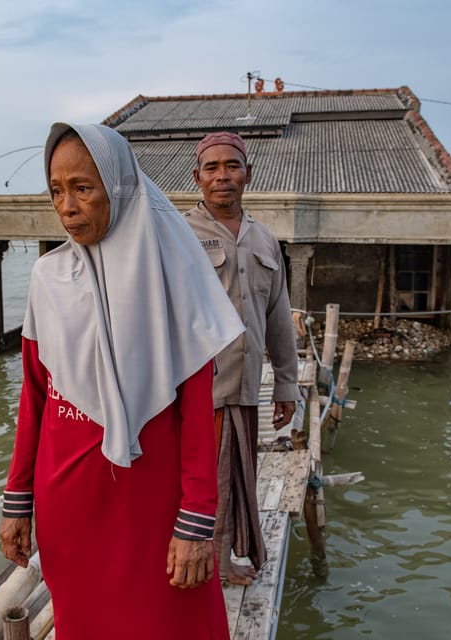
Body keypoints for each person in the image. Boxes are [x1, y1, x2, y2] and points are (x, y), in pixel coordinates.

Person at [0, 122, 244, 640]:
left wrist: (197, 522)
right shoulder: (47, 278)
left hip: (151, 510)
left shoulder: (173, 274)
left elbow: (198, 411)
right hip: (67, 506)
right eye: (56, 191)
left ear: (121, 187)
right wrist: (17, 501)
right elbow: (35, 397)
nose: (67, 207)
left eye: (83, 188)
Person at [183, 131, 300, 586]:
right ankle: (206, 560)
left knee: (236, 474)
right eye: (211, 168)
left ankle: (223, 558)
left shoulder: (265, 240)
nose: (222, 176)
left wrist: (287, 384)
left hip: (246, 385)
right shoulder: (179, 235)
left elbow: (278, 319)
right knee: (200, 478)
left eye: (232, 166)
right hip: (196, 388)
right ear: (197, 177)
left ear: (247, 174)